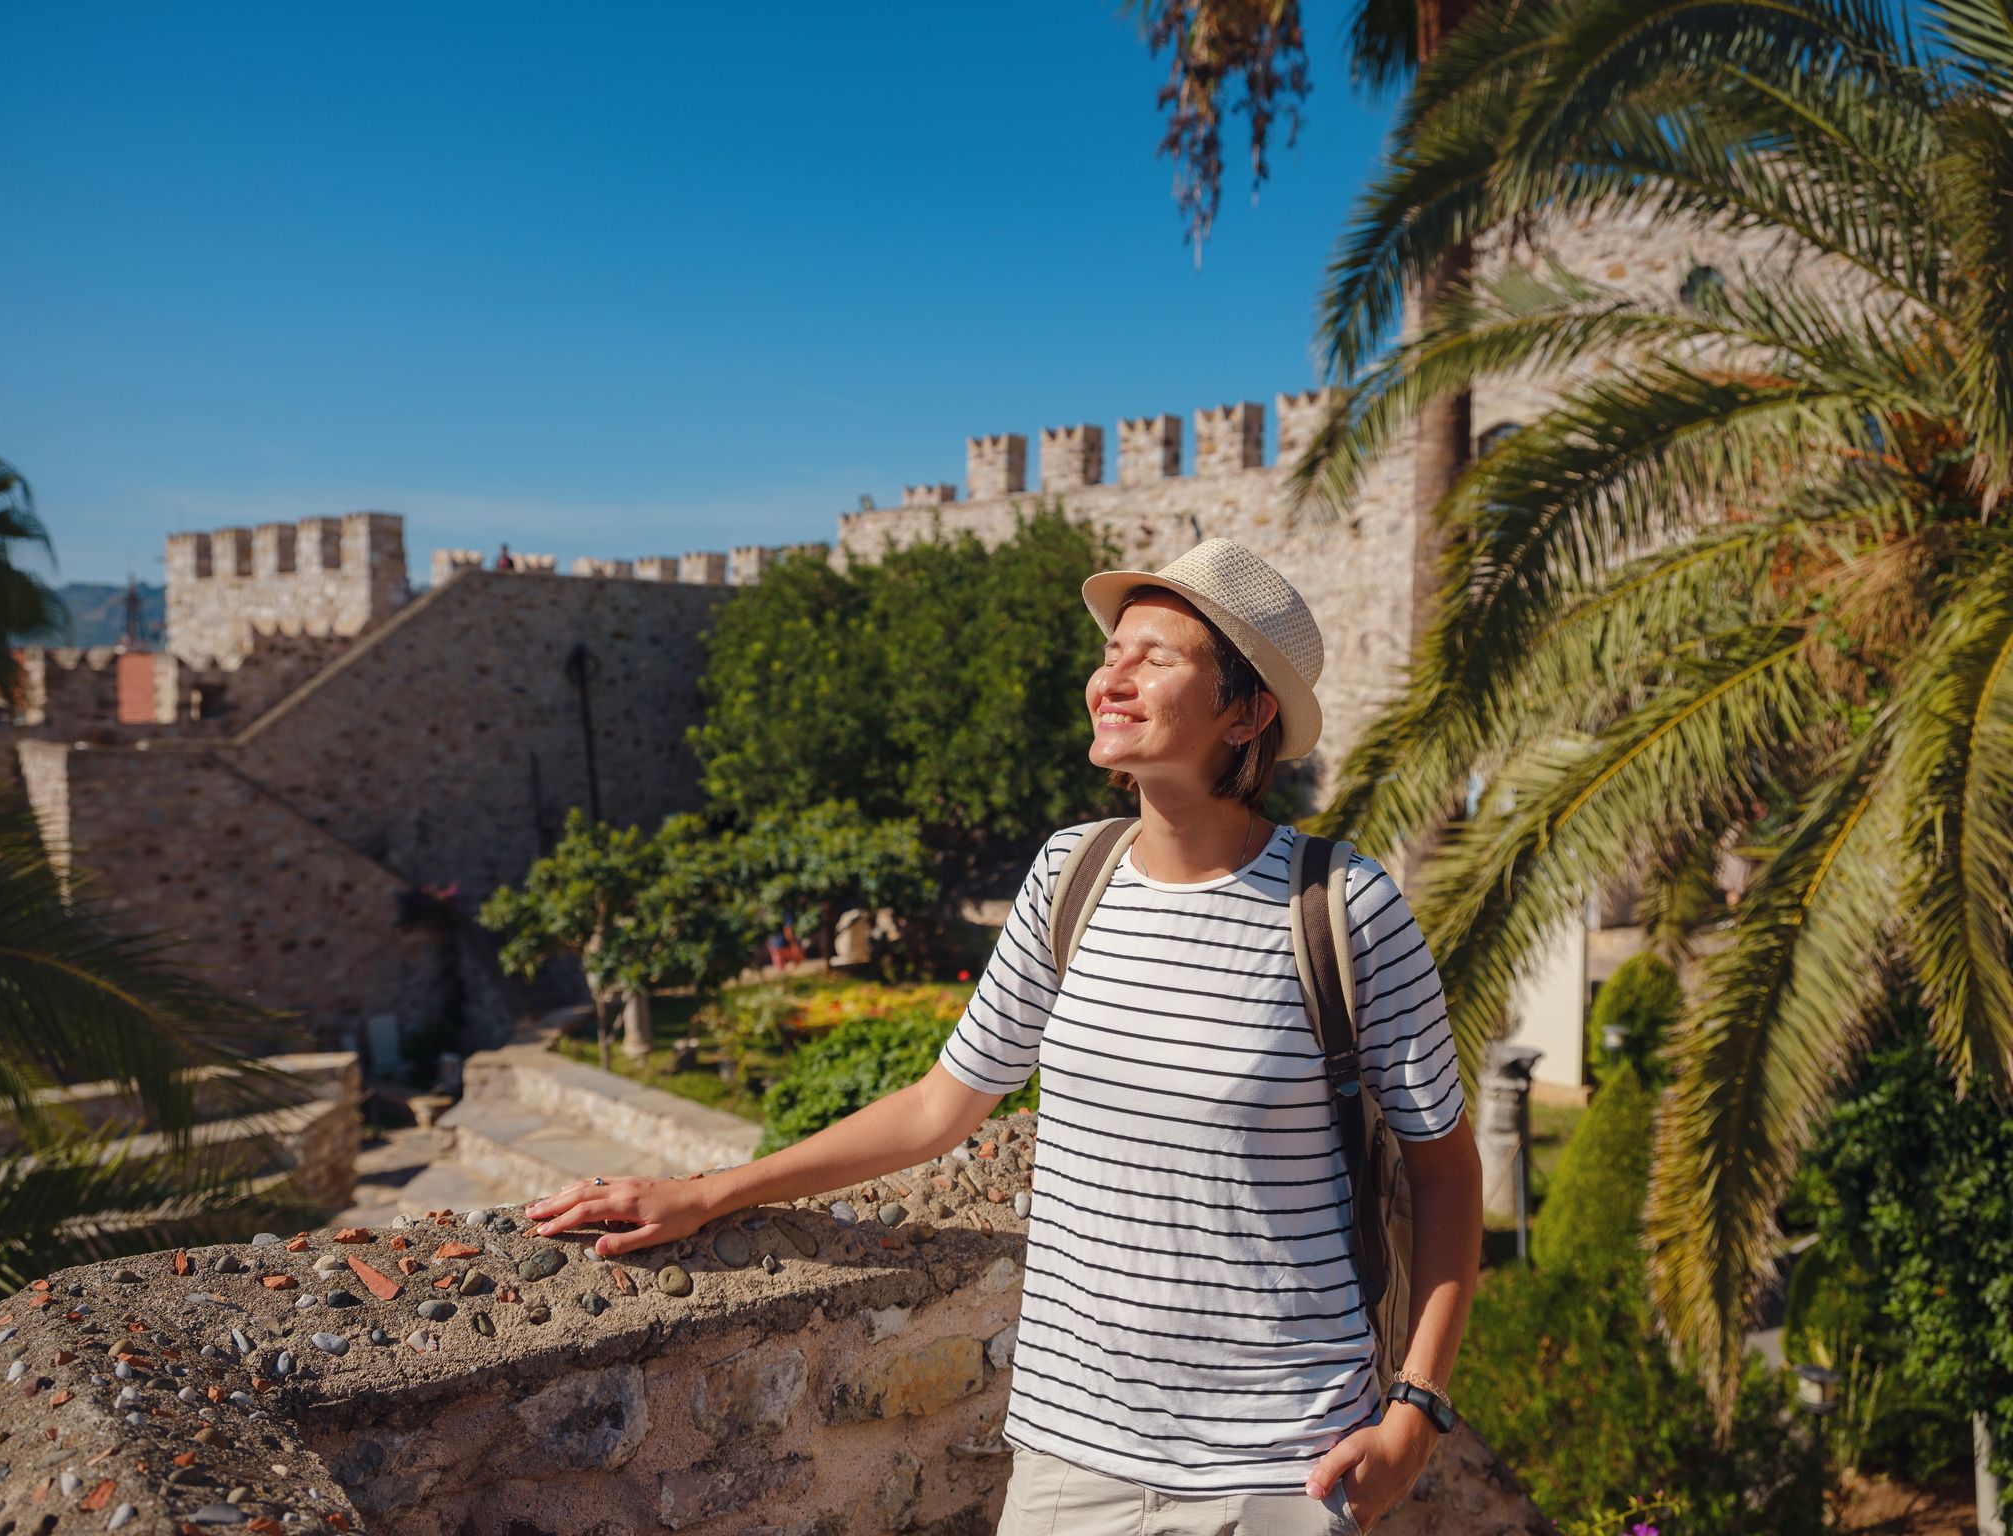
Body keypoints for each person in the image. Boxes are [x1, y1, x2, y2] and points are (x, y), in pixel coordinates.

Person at [522, 537, 1484, 1535]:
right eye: (1110, 650)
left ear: (1244, 713)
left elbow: (1445, 1173)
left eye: (1154, 655)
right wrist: (706, 1192)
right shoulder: (1072, 877)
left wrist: (1414, 1409)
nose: (1110, 675)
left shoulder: (1341, 907)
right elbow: (942, 1106)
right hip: (1071, 1457)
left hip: (1282, 1465)